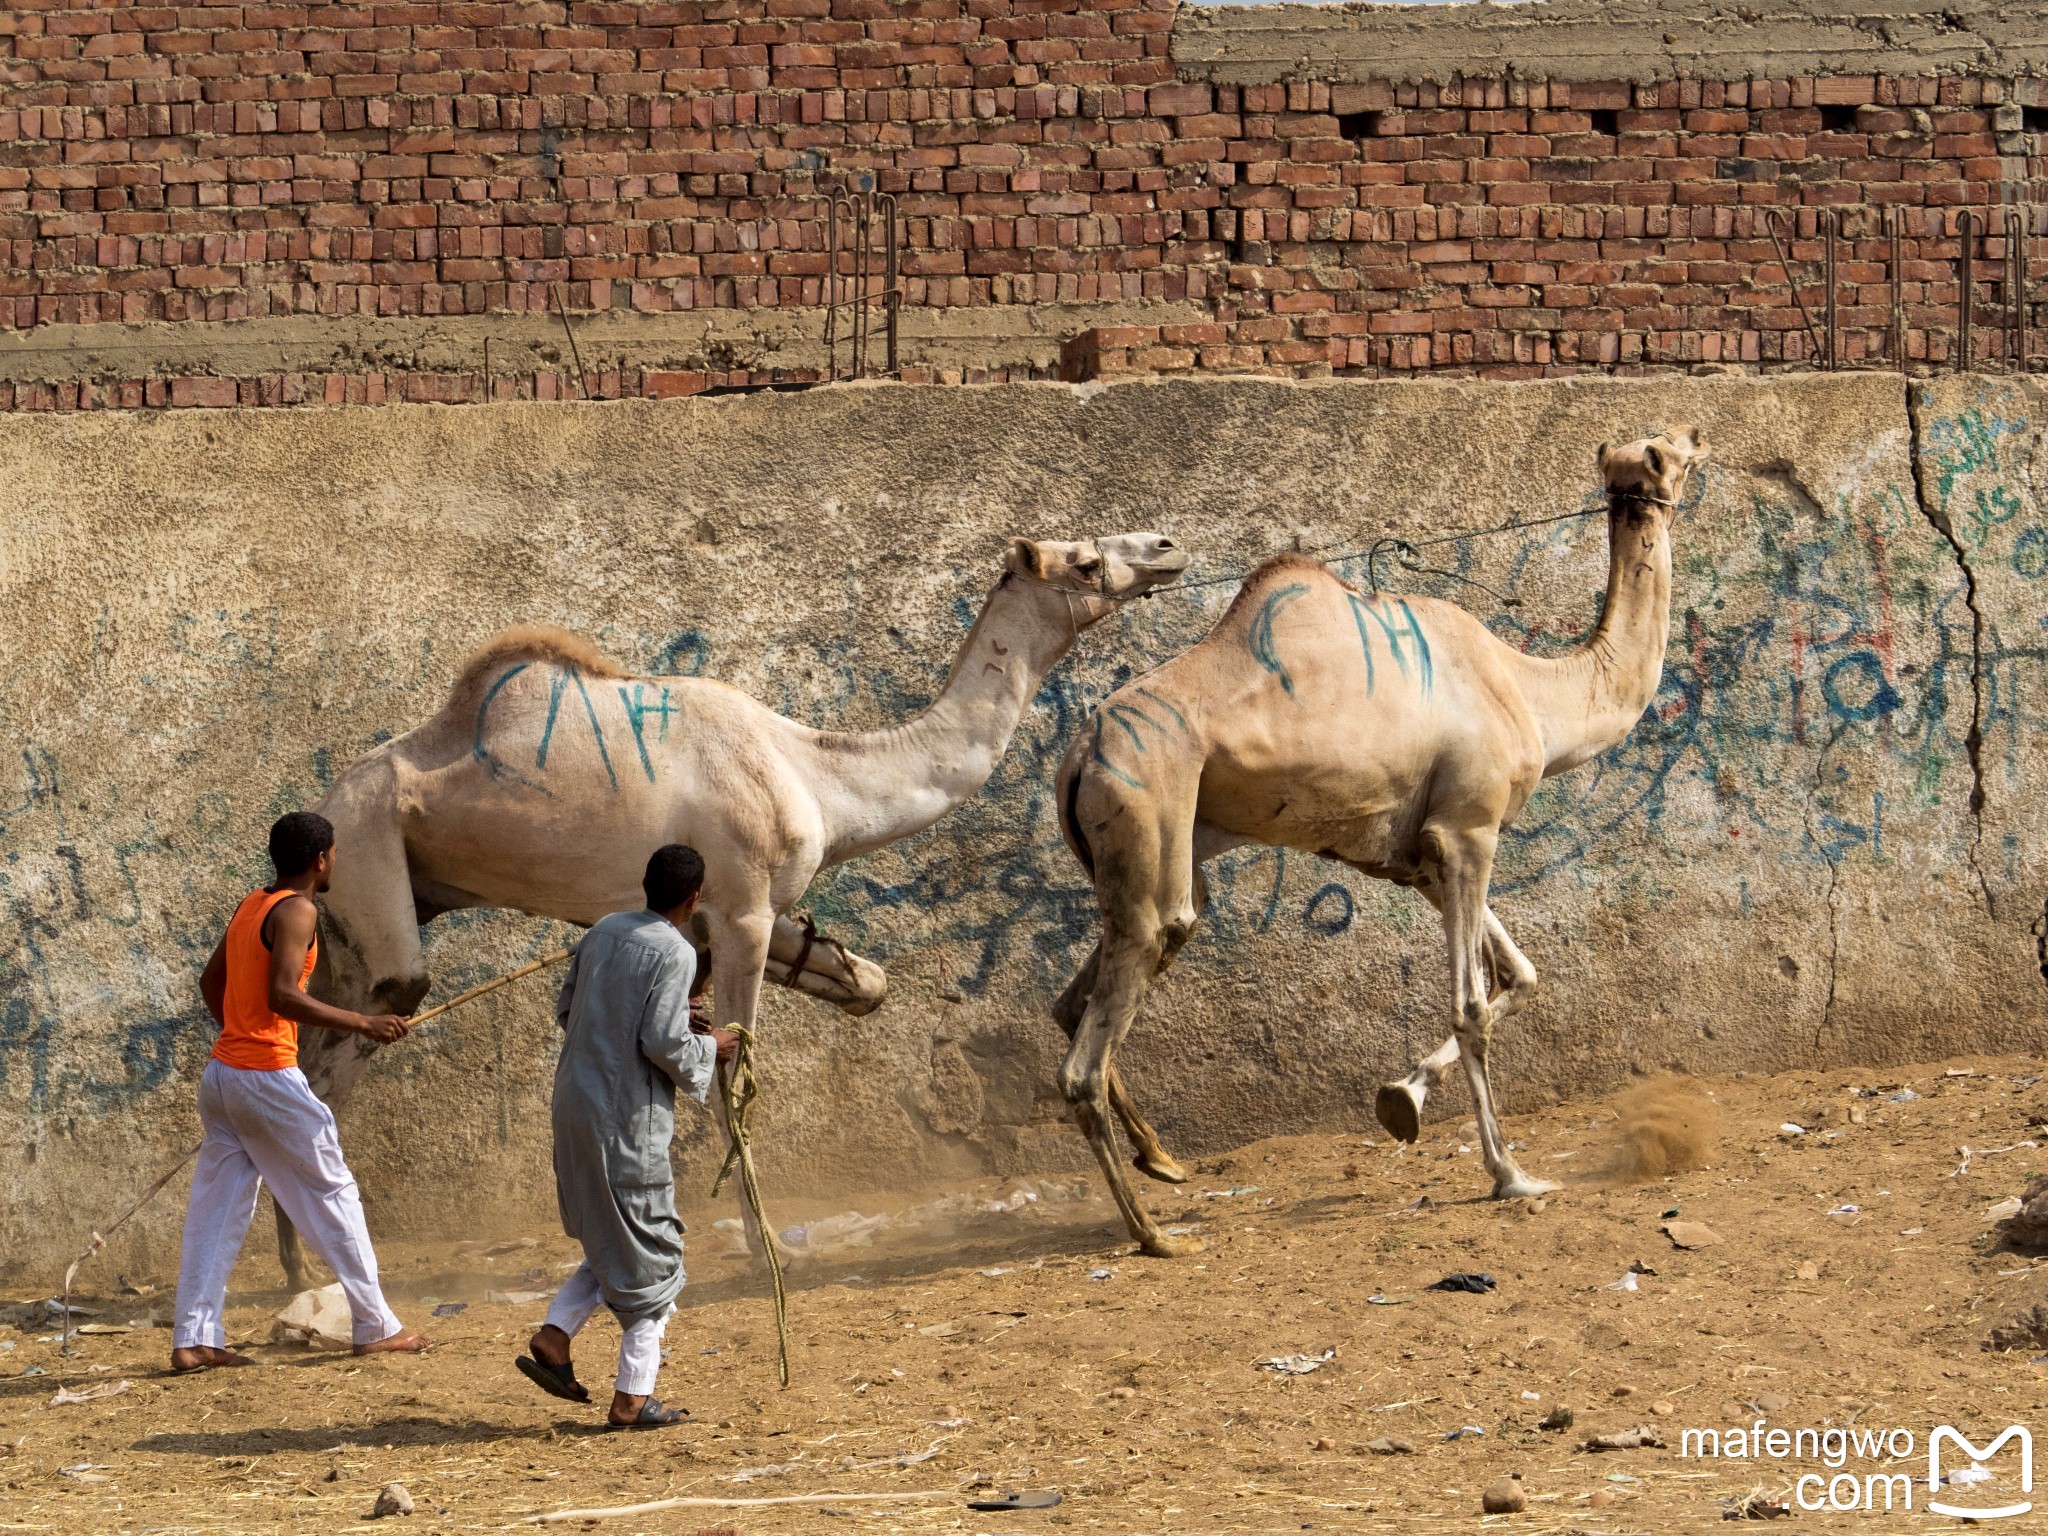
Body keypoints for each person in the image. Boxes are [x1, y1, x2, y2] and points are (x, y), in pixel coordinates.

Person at [170, 811, 429, 1372]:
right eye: (334, 854)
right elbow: (284, 995)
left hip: (224, 1077)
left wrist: (237, 1035)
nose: (334, 861)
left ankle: (194, 1338)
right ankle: (377, 1325)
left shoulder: (252, 904)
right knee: (333, 1192)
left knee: (215, 1212)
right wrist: (363, 1022)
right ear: (320, 859)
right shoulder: (298, 910)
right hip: (264, 1077)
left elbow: (209, 982)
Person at [517, 843, 737, 1429]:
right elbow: (663, 1045)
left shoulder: (605, 930)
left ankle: (555, 1336)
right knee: (654, 1255)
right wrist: (710, 1047)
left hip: (574, 1106)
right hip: (622, 1122)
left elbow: (573, 1011)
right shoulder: (676, 950)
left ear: (645, 884)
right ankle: (632, 1398)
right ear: (692, 900)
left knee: (612, 1233)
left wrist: (671, 1017)